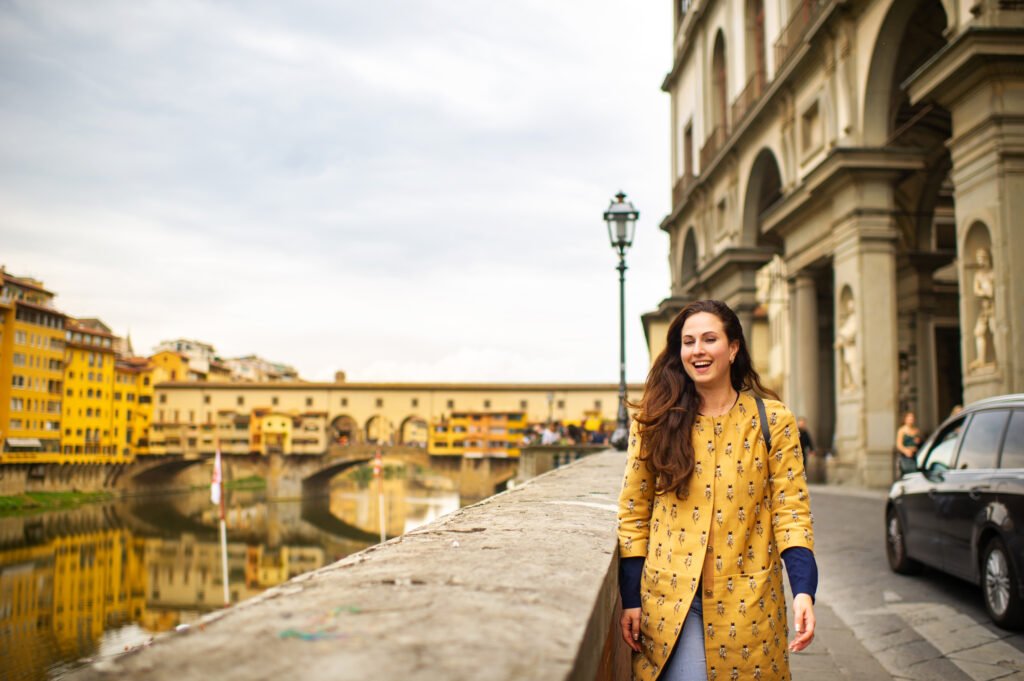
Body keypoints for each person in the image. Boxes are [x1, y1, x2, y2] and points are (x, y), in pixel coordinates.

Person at [617, 299, 817, 681]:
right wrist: (630, 595)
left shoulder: (772, 420)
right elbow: (633, 510)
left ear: (734, 347)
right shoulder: (655, 422)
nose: (698, 350)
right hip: (671, 600)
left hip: (749, 604)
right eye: (688, 342)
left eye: (710, 339)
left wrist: (804, 589)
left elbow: (792, 509)